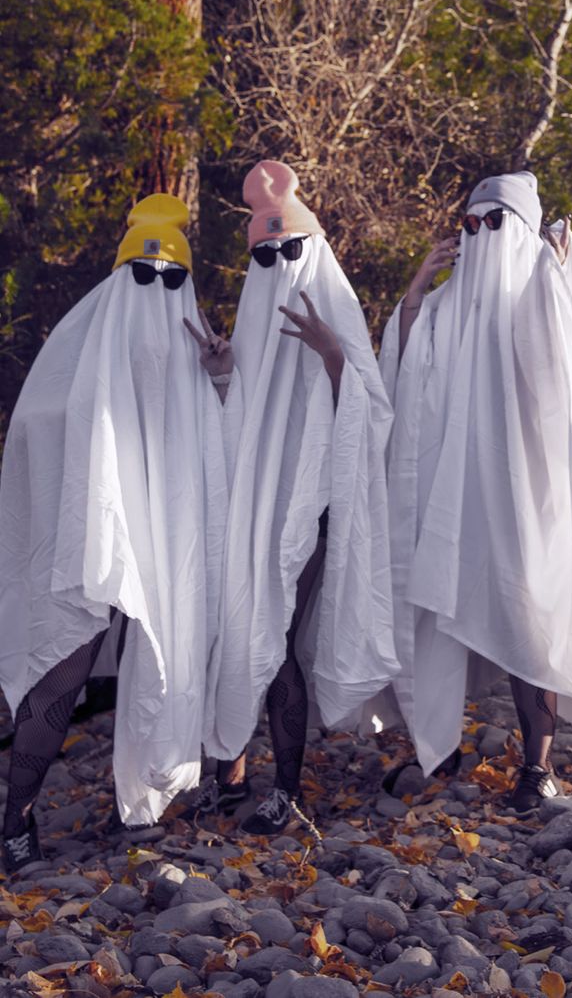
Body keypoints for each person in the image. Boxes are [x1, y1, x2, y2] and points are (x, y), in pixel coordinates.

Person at [377, 171, 572, 814]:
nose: (482, 235)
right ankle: (434, 746)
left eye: (496, 223)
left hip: (523, 492)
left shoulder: (538, 289)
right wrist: (414, 292)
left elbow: (566, 374)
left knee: (529, 620)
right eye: (471, 224)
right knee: (435, 623)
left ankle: (537, 764)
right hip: (456, 496)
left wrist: (562, 268)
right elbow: (406, 370)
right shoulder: (448, 303)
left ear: (520, 229)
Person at [0, 194, 229, 874]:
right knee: (65, 663)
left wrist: (218, 379)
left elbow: (214, 454)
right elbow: (36, 432)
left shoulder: (192, 354)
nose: (156, 291)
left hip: (161, 536)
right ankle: (16, 819)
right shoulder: (78, 352)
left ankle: (144, 802)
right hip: (90, 536)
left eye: (172, 280)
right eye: (142, 275)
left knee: (170, 655)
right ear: (116, 278)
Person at [192, 160, 400, 834]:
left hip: (311, 508)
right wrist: (222, 375)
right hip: (251, 502)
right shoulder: (257, 313)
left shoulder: (332, 306)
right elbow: (244, 421)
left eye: (288, 248)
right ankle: (228, 773)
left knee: (275, 633)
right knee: (235, 624)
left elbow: (370, 418)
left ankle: (284, 787)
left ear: (310, 246)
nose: (277, 262)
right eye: (264, 253)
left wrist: (335, 356)